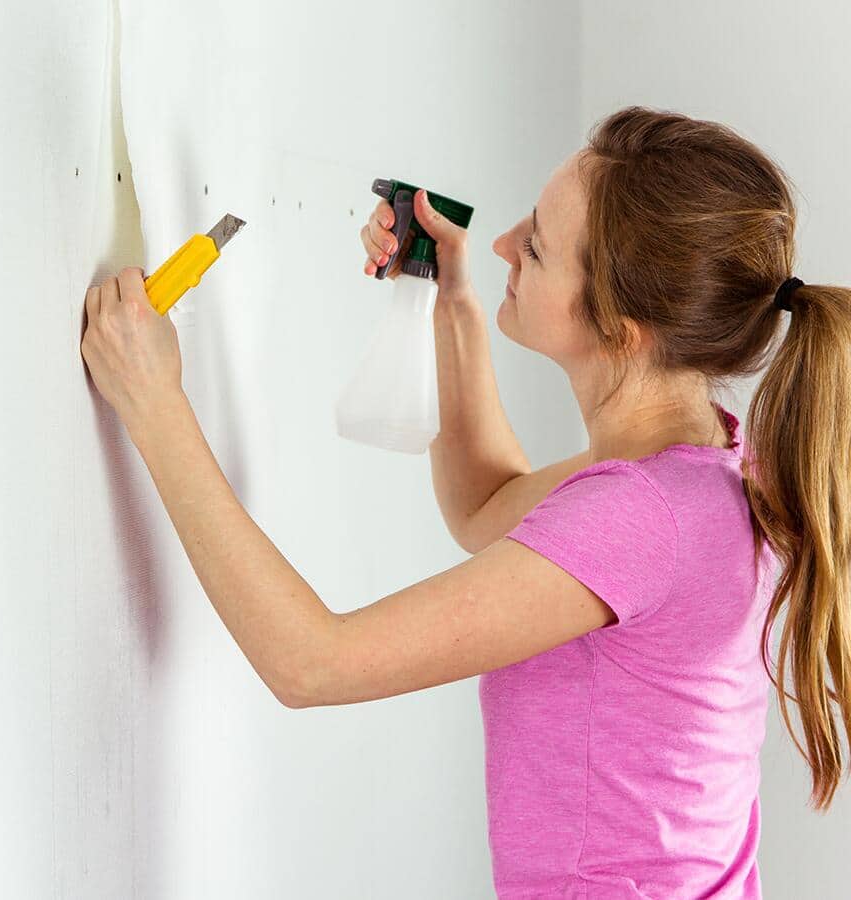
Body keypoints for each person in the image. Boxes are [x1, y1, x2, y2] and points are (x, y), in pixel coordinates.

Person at [79, 104, 849, 898]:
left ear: (622, 330)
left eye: (537, 247)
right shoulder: (705, 469)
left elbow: (312, 663)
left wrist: (153, 402)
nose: (504, 243)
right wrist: (448, 299)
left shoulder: (644, 515)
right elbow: (489, 506)